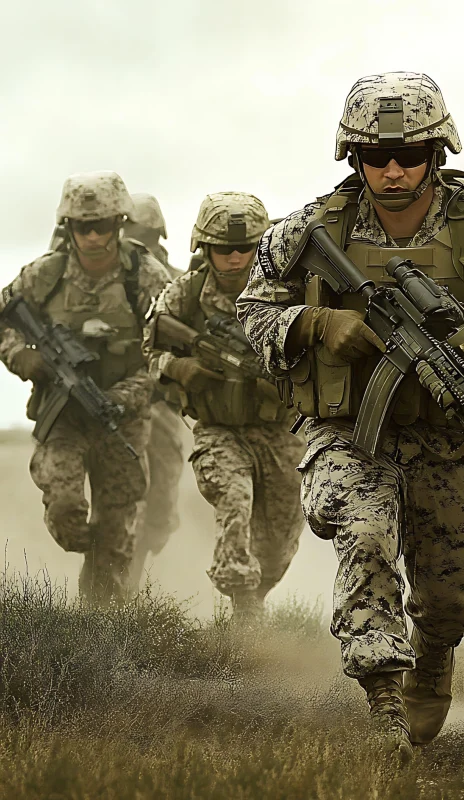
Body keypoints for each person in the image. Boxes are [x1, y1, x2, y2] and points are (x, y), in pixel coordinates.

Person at [237, 71, 464, 759]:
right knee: (363, 534)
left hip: (451, 434)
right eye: (374, 157)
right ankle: (385, 702)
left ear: (438, 153)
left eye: (410, 155)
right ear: (352, 157)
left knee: (451, 589)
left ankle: (435, 655)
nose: (393, 171)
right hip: (348, 432)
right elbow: (253, 309)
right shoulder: (311, 228)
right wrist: (312, 323)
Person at [0, 171, 170, 603]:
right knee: (66, 510)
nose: (93, 235)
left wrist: (125, 395)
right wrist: (22, 356)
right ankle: (90, 556)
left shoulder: (146, 277)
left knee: (116, 535)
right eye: (82, 226)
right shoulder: (45, 274)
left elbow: (167, 352)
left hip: (122, 420)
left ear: (119, 222)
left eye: (103, 225)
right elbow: (4, 319)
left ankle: (99, 626)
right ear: (68, 227)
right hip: (63, 420)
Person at [143, 192, 305, 620]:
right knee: (234, 501)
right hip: (218, 430)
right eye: (223, 248)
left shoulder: (290, 289)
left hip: (279, 433)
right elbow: (149, 346)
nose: (235, 258)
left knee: (279, 542)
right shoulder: (186, 293)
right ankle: (244, 612)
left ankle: (254, 597)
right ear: (204, 248)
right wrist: (178, 367)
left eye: (245, 247)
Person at [122, 192, 186, 589]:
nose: (136, 240)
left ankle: (136, 562)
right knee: (117, 502)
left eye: (143, 233)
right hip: (114, 403)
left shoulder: (180, 282)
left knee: (160, 501)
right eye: (130, 231)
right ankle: (111, 583)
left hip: (161, 403)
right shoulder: (108, 278)